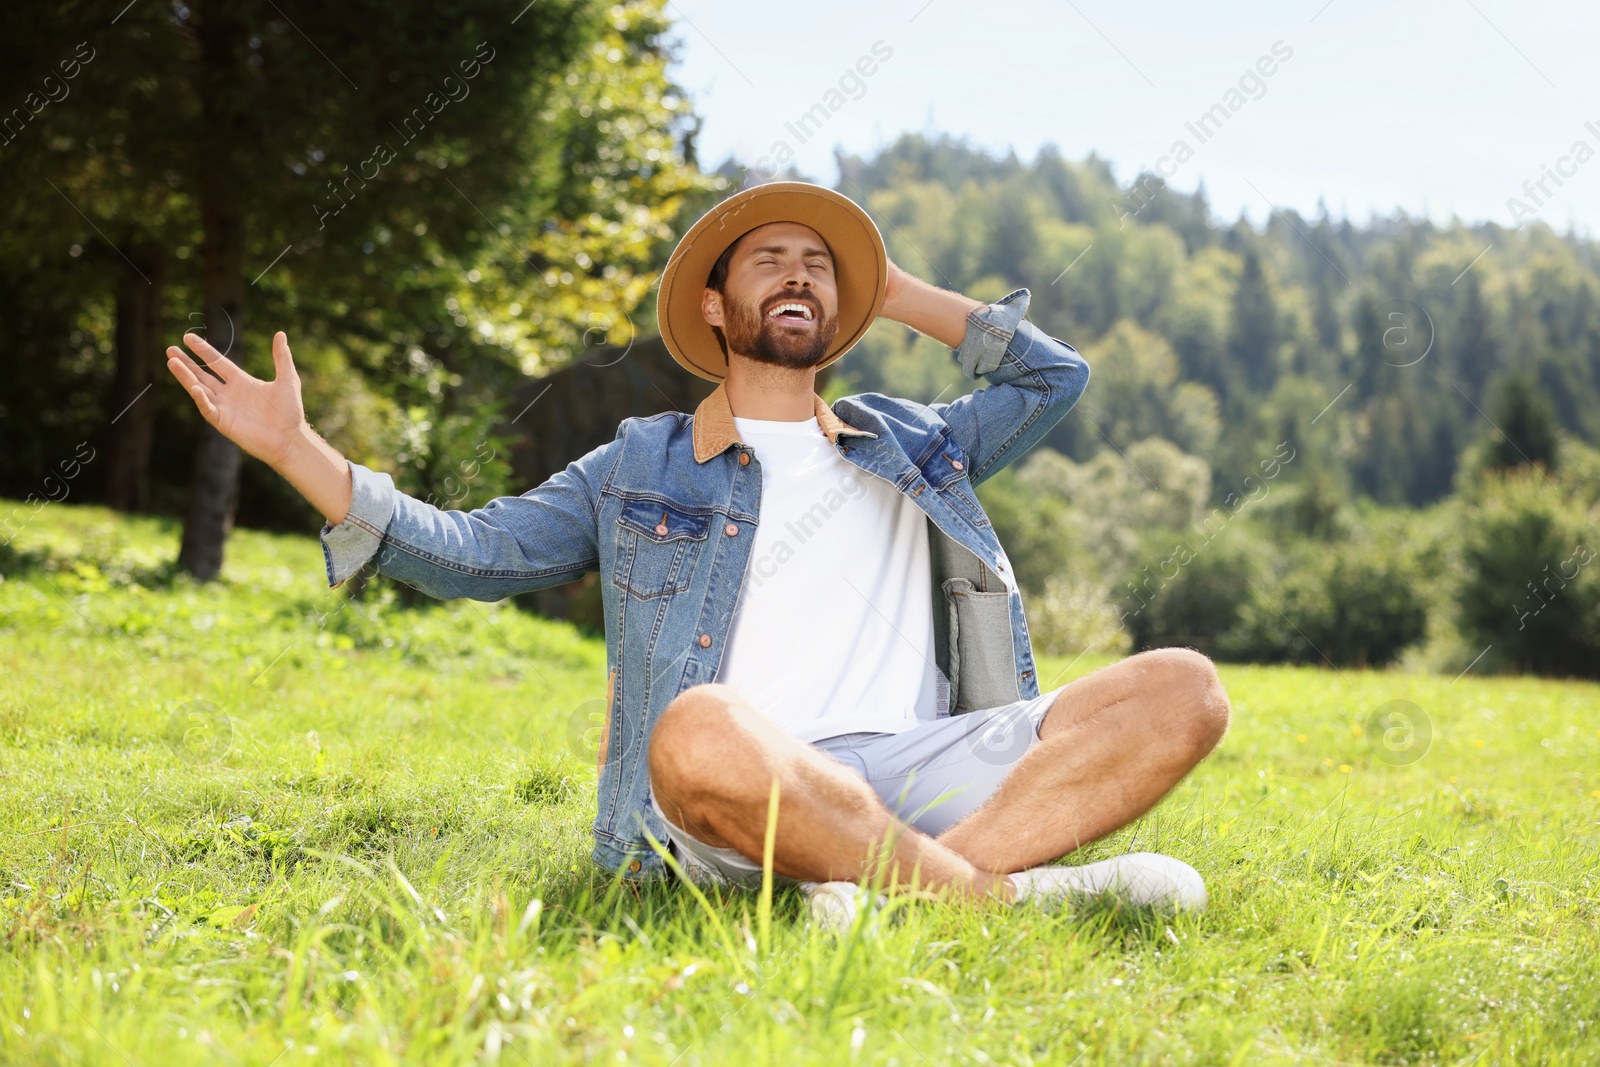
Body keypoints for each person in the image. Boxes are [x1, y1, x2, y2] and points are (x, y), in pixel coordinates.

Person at [166, 181, 1230, 929]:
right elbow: (473, 553)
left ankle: (899, 890)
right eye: (769, 261)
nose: (799, 273)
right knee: (701, 726)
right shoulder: (638, 465)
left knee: (1181, 687)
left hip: (919, 767)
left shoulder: (916, 439)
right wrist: (297, 450)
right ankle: (998, 895)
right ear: (715, 306)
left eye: (819, 267)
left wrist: (893, 287)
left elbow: (1054, 379)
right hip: (741, 787)